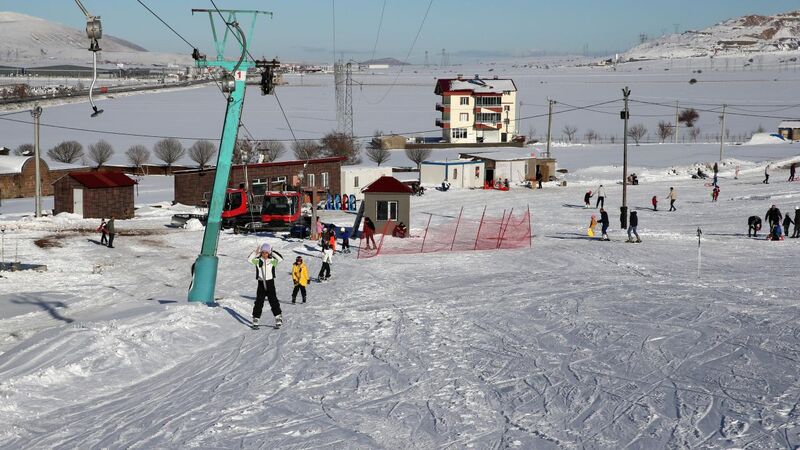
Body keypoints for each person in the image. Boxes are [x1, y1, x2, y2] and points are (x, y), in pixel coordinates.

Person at [248, 243, 283, 328]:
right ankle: (256, 318)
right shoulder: (257, 261)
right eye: (263, 252)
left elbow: (280, 259)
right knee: (259, 301)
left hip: (270, 283)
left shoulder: (272, 261)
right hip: (261, 283)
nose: (264, 254)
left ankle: (278, 317)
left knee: (273, 300)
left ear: (269, 253)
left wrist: (272, 251)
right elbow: (249, 259)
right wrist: (255, 252)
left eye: (266, 252)